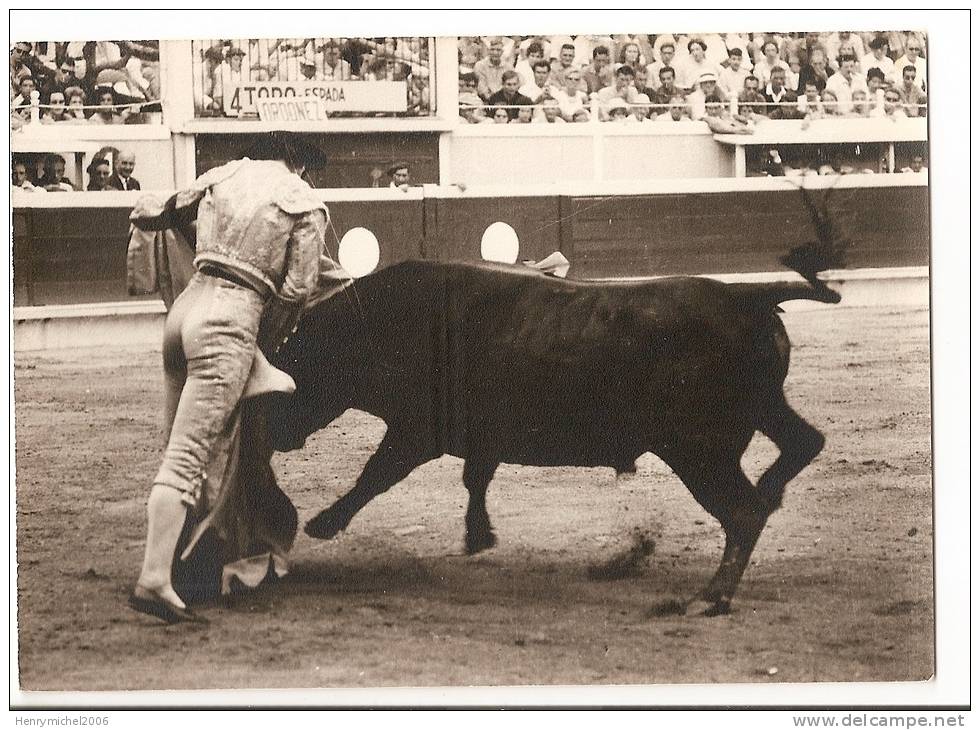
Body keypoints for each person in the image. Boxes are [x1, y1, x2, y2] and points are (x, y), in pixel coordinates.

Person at [130, 132, 342, 624]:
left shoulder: (221, 176)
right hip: (229, 322)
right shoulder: (304, 200)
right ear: (300, 164)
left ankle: (180, 563)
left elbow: (151, 212)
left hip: (183, 313)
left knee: (177, 447)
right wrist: (259, 352)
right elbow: (297, 289)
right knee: (190, 457)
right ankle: (157, 578)